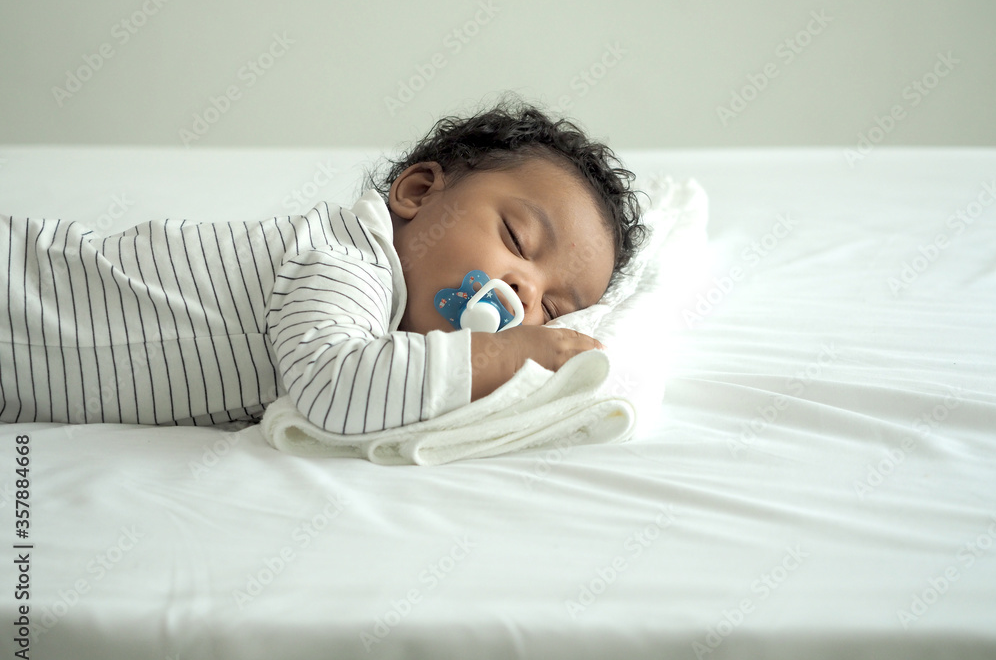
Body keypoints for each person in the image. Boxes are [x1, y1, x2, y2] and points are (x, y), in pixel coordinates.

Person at [0, 97, 646, 433]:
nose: (524, 293)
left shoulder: (385, 318)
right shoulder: (346, 257)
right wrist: (510, 356)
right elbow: (334, 389)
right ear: (419, 195)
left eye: (553, 307)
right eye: (516, 237)